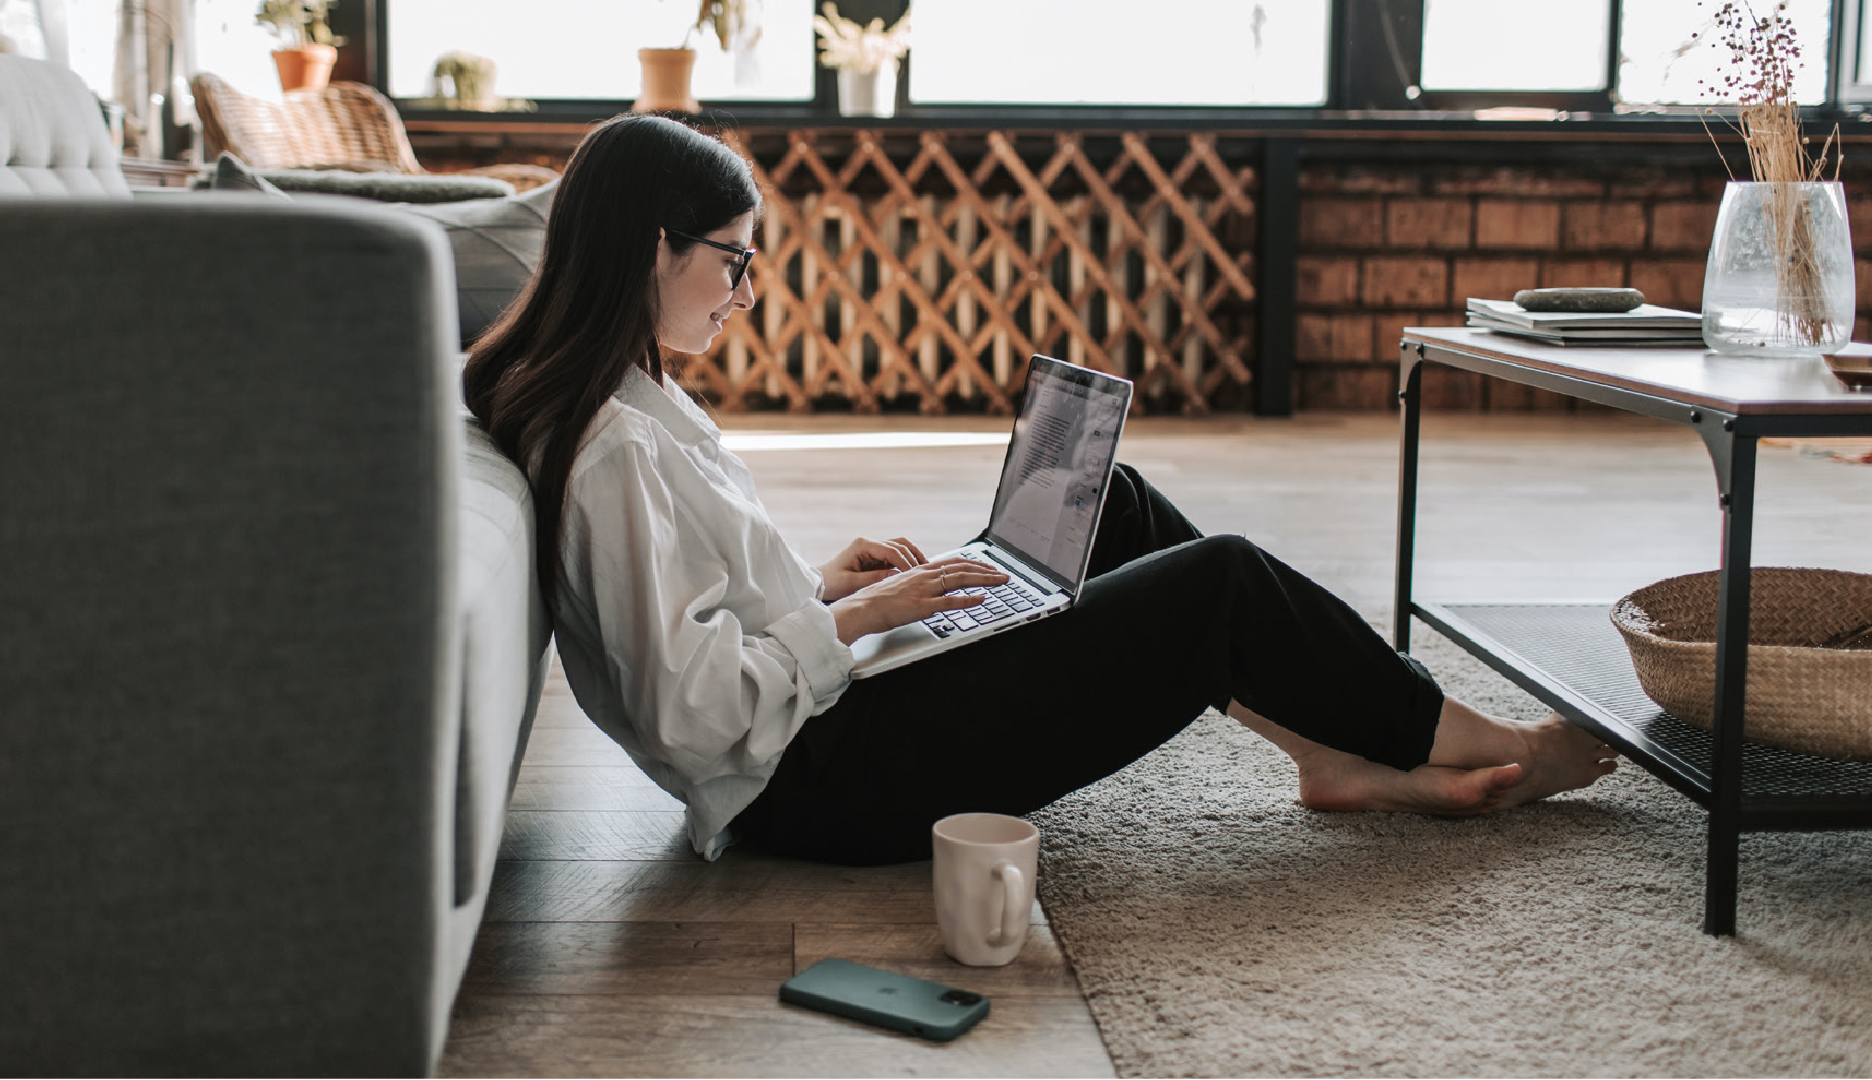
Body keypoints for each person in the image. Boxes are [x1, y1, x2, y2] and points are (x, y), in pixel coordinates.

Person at [464, 115, 1619, 866]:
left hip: (821, 719)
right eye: (735, 259)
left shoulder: (629, 400)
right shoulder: (613, 442)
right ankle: (1474, 740)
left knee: (1108, 502)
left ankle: (1327, 753)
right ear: (652, 247)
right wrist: (855, 622)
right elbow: (693, 714)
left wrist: (824, 584)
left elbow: (692, 620)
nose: (747, 290)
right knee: (1221, 584)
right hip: (811, 786)